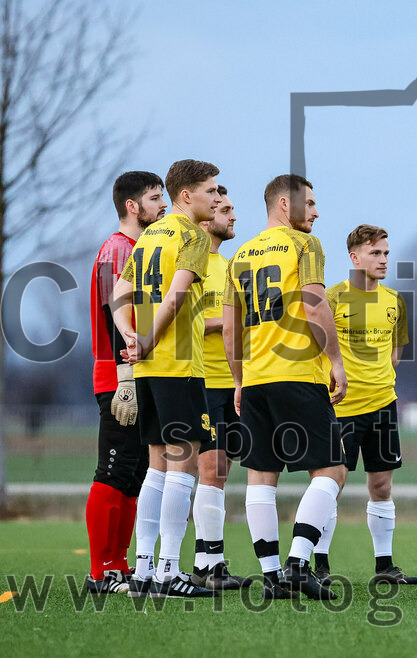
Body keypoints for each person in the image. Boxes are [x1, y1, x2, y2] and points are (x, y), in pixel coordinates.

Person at [223, 174, 348, 601]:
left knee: (261, 476)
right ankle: (297, 563)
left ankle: (272, 577)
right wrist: (335, 360)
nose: (316, 212)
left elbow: (232, 328)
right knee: (332, 470)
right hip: (296, 374)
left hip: (257, 379)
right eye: (309, 203)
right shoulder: (304, 245)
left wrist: (239, 379)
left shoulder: (240, 255)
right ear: (283, 204)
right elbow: (315, 303)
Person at [110, 159, 221, 597]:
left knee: (156, 467)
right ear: (186, 196)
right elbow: (175, 297)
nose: (217, 198)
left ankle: (143, 570)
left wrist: (131, 337)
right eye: (211, 190)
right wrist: (148, 340)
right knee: (183, 465)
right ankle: (169, 571)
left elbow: (118, 293)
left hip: (149, 369)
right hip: (178, 365)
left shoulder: (149, 236)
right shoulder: (192, 236)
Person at [313, 224, 417, 586]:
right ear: (355, 257)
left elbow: (395, 355)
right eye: (376, 253)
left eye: (386, 253)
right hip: (341, 407)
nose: (384, 259)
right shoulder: (332, 297)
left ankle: (385, 565)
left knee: (382, 486)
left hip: (383, 404)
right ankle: (320, 565)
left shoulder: (395, 301)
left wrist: (379, 379)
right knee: (331, 486)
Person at [84, 171, 165, 594]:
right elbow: (114, 315)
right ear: (132, 206)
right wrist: (125, 377)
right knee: (114, 469)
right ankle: (100, 571)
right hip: (118, 376)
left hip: (138, 374)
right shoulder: (117, 250)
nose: (163, 205)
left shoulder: (142, 250)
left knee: (133, 473)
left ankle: (118, 563)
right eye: (154, 198)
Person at [191, 185, 252, 590]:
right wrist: (223, 323)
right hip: (204, 381)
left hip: (233, 383)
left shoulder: (229, 267)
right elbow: (178, 319)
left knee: (222, 473)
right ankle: (207, 567)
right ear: (207, 213)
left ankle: (209, 562)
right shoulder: (192, 262)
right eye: (225, 209)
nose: (232, 217)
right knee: (210, 471)